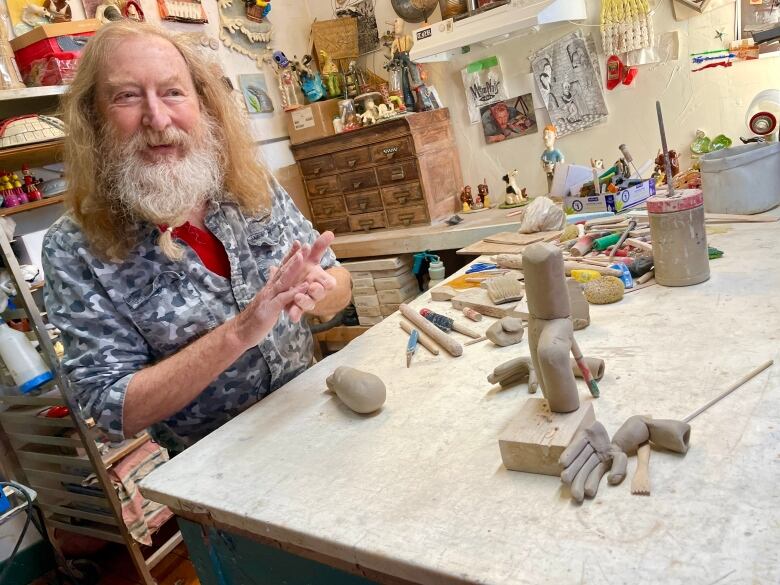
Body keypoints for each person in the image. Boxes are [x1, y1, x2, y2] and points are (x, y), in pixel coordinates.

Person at [42, 21, 352, 455]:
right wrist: (240, 332)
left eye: (173, 92)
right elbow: (112, 408)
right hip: (216, 473)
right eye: (127, 96)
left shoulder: (249, 185)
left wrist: (322, 294)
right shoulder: (76, 247)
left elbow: (339, 282)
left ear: (202, 104)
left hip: (312, 419)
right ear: (94, 118)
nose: (158, 118)